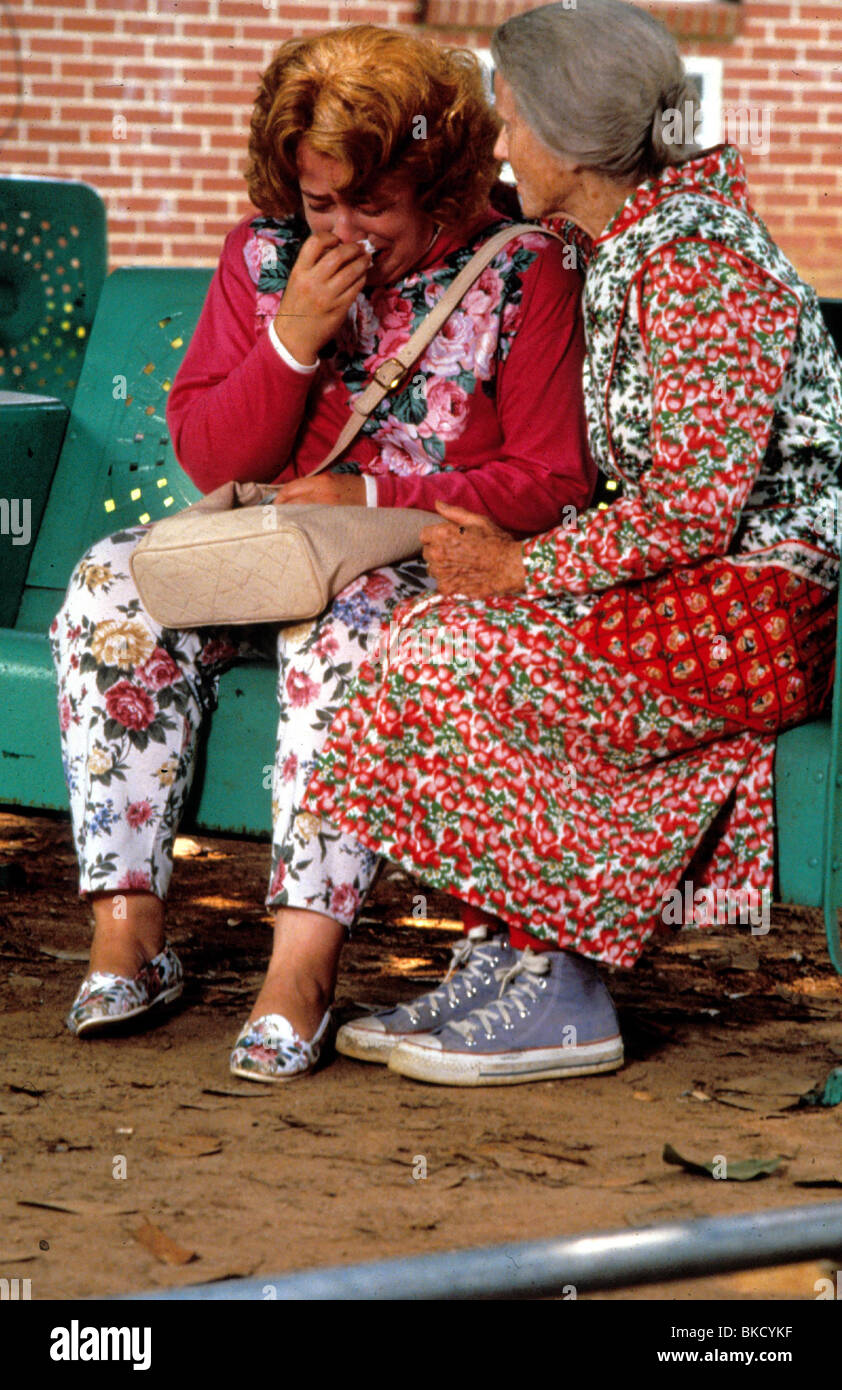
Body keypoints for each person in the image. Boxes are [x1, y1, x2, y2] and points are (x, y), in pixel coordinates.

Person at [303, 0, 842, 1085]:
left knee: (452, 654)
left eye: (510, 123)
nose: (500, 147)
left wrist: (517, 569)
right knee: (431, 630)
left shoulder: (697, 266)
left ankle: (565, 992)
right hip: (691, 589)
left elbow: (691, 507)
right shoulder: (625, 239)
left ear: (573, 135)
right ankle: (509, 950)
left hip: (754, 607)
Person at [49, 24, 593, 1081]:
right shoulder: (261, 257)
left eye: (369, 205)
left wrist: (373, 490)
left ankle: (299, 967)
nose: (340, 229)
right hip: (267, 546)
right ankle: (129, 931)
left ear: (435, 186)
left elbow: (551, 478)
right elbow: (213, 449)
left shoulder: (523, 270)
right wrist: (291, 337)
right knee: (110, 586)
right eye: (317, 202)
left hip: (411, 561)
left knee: (344, 629)